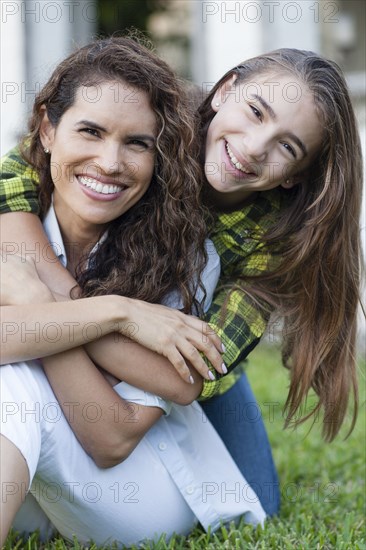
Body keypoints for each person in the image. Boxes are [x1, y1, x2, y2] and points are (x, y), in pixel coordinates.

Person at [1, 44, 363, 535]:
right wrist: (103, 311)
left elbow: (191, 376)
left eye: (287, 147)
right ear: (226, 90)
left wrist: (51, 309)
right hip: (124, 308)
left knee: (256, 499)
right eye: (256, 112)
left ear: (295, 176)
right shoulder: (149, 123)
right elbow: (21, 173)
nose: (256, 146)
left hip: (193, 349)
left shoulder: (262, 243)